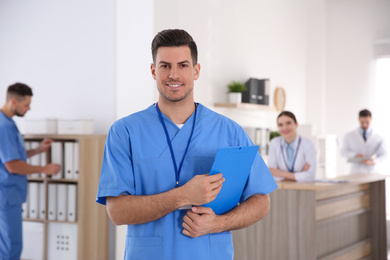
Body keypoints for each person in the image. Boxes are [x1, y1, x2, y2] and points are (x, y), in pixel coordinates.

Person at [96, 29, 278, 260]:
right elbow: (117, 212)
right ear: (153, 71)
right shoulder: (124, 132)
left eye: (182, 65)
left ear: (196, 70)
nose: (173, 75)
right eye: (165, 66)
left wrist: (219, 223)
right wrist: (183, 195)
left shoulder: (229, 131)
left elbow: (261, 201)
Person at [0, 83, 61, 260]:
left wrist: (37, 150)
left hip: (10, 196)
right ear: (13, 102)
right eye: (26, 105)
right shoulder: (3, 126)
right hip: (6, 196)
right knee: (11, 248)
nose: (29, 108)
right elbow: (12, 165)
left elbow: (13, 157)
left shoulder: (9, 124)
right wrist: (44, 169)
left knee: (9, 246)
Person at [268, 111, 316, 182]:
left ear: (296, 124)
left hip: (304, 189)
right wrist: (300, 175)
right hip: (281, 190)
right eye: (280, 125)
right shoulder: (274, 143)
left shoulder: (307, 144)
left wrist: (280, 173)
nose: (284, 128)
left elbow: (310, 176)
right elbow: (272, 174)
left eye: (288, 123)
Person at [340, 109, 387, 174]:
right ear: (359, 119)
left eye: (367, 122)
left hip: (372, 171)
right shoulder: (349, 136)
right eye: (362, 122)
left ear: (371, 119)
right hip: (355, 172)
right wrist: (354, 155)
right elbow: (343, 152)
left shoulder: (379, 137)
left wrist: (375, 161)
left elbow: (384, 155)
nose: (364, 125)